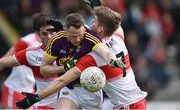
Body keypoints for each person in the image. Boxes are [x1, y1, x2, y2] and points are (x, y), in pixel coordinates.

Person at [16, 6, 147, 110]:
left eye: (94, 20)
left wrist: (36, 97)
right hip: (134, 100)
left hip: (126, 105)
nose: (91, 23)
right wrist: (98, 8)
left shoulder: (93, 56)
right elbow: (113, 22)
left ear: (100, 28)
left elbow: (62, 80)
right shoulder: (118, 37)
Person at [0, 13, 64, 109]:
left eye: (51, 32)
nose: (49, 37)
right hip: (18, 89)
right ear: (38, 34)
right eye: (44, 34)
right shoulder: (28, 46)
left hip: (62, 102)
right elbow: (3, 61)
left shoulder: (68, 48)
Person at [0, 13, 43, 109]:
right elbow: (4, 60)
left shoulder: (46, 43)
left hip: (29, 90)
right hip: (15, 88)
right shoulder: (26, 41)